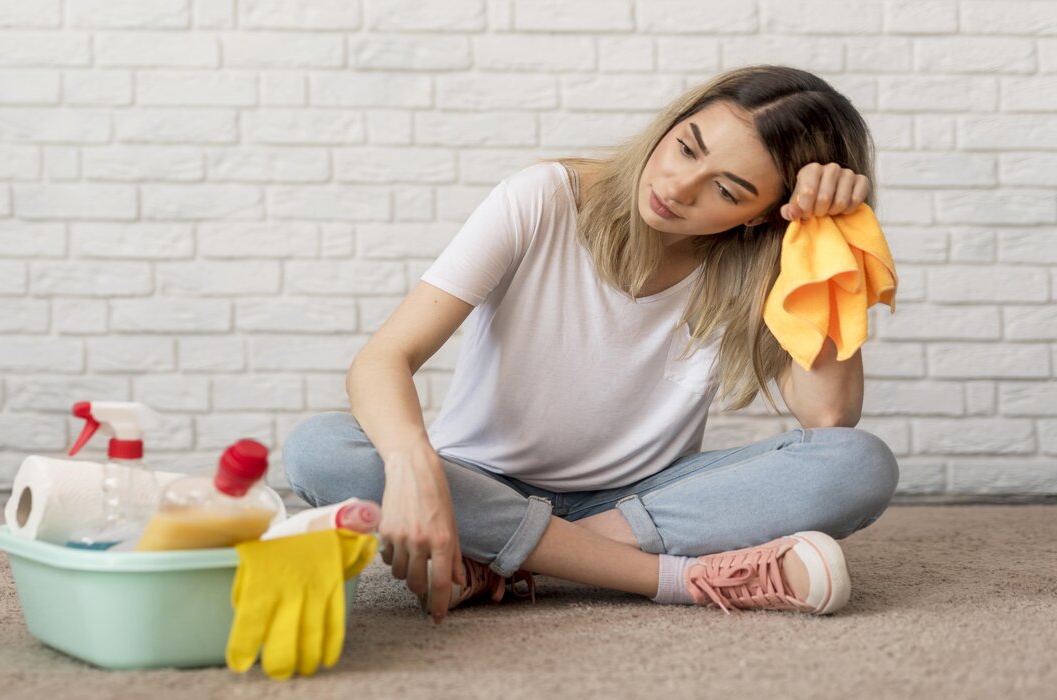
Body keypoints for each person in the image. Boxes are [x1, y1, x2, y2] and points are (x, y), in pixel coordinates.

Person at [282, 65, 899, 625]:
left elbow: (828, 419)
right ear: (673, 122)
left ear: (762, 216)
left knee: (859, 464)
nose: (680, 187)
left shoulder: (761, 263)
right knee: (320, 449)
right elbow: (381, 360)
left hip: (635, 500)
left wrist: (826, 236)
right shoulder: (544, 198)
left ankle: (507, 557)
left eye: (727, 191)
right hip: (475, 483)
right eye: (686, 147)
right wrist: (415, 468)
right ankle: (682, 578)